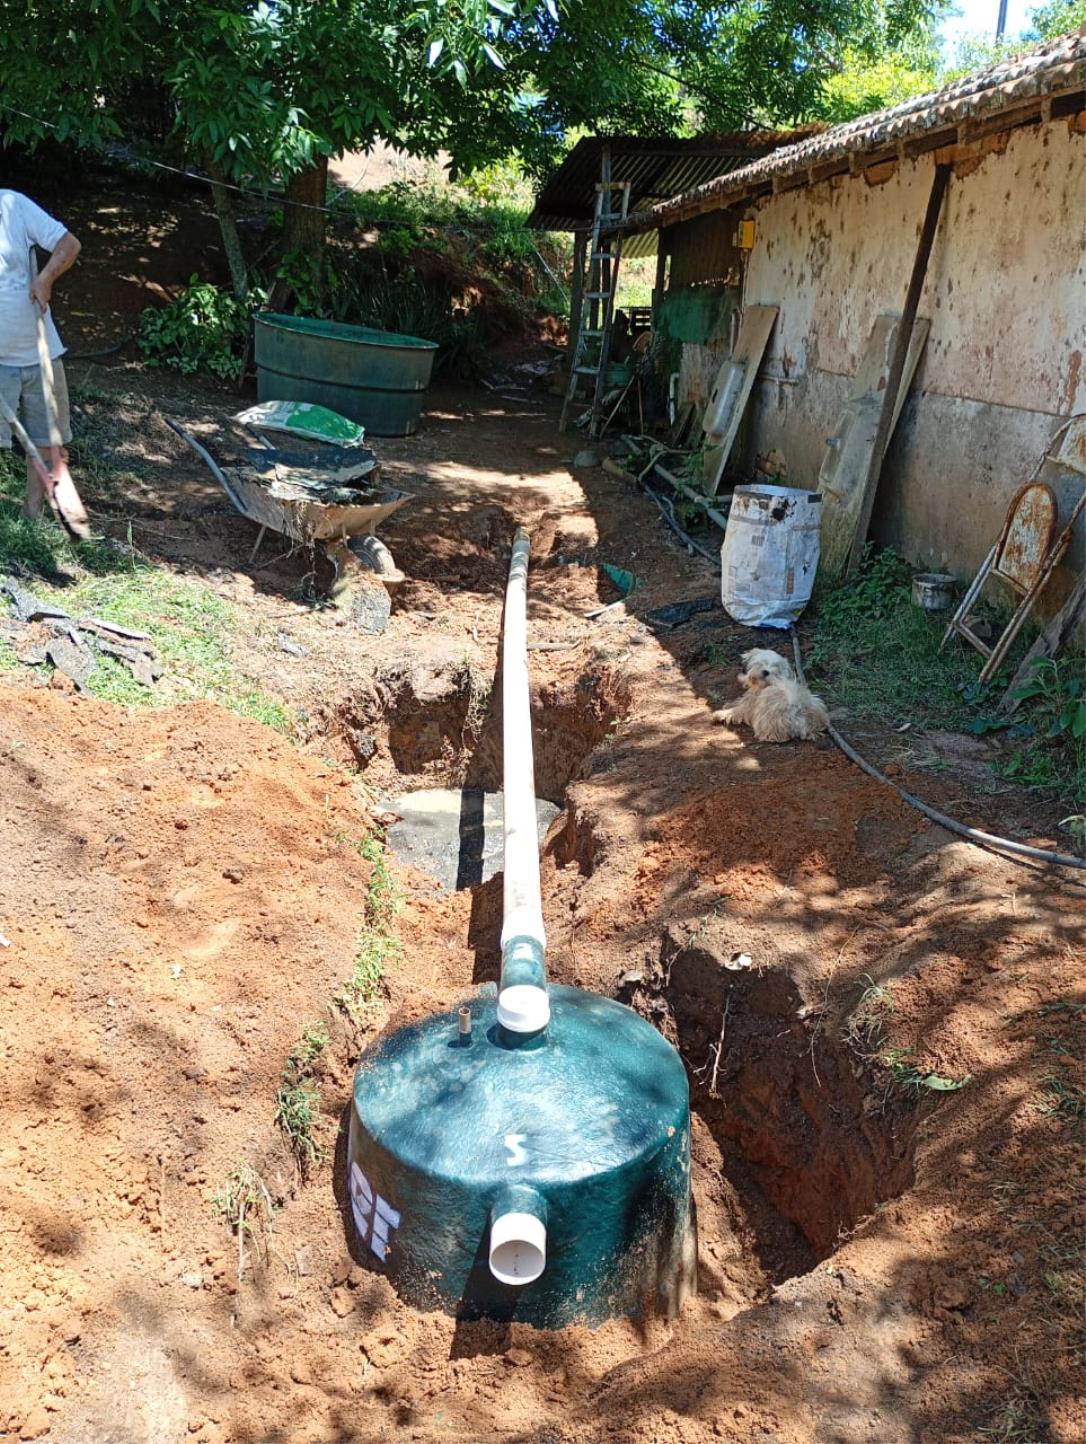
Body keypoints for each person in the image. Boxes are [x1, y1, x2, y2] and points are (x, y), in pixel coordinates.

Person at [0, 190, 82, 518]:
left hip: (38, 353)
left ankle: (32, 515)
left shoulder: (13, 206)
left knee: (46, 440)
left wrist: (46, 278)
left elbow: (69, 244)